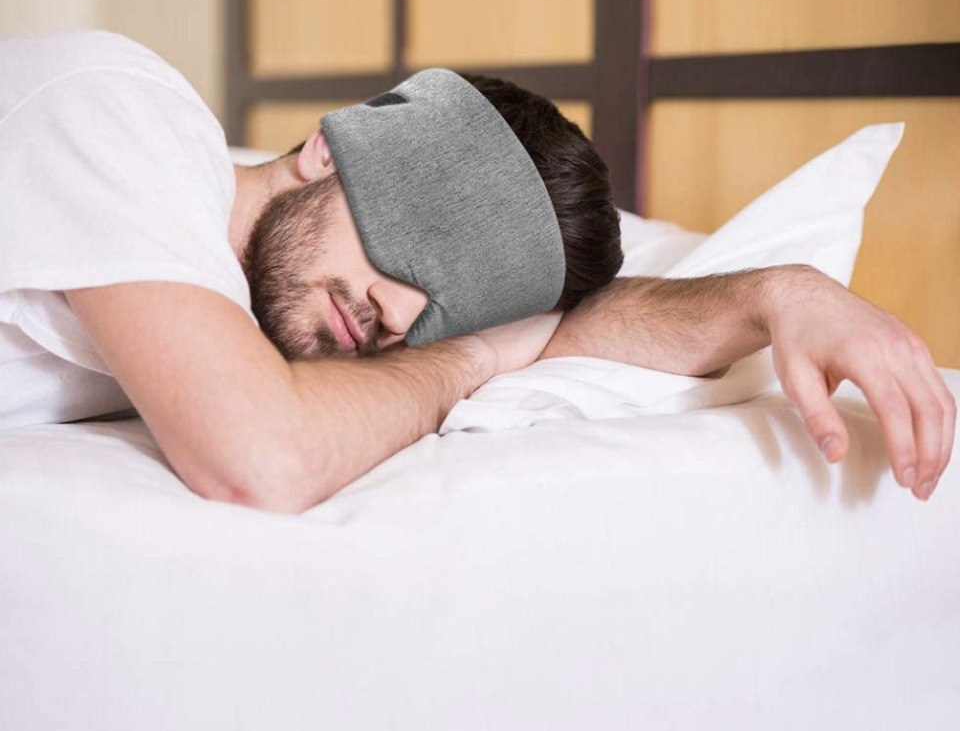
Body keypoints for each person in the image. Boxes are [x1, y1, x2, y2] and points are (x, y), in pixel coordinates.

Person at [0, 29, 953, 513]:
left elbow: (578, 334)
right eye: (424, 236)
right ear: (329, 151)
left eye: (449, 308)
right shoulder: (118, 109)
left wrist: (778, 291)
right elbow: (262, 460)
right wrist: (470, 360)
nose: (398, 311)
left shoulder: (219, 309)